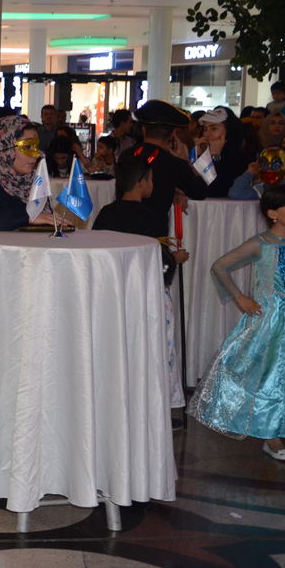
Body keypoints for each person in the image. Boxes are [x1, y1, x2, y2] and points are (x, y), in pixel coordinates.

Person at [189, 183, 285, 461]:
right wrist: (240, 298)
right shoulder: (261, 244)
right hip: (273, 321)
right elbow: (220, 266)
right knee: (270, 377)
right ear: (273, 214)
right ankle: (271, 436)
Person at [93, 152, 189, 408]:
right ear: (141, 183)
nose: (153, 185)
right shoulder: (151, 217)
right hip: (145, 294)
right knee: (151, 347)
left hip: (112, 292)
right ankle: (155, 401)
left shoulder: (106, 213)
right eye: (151, 180)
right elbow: (157, 260)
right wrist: (175, 259)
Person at [127, 100, 208, 239]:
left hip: (124, 228)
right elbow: (200, 191)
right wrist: (185, 160)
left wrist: (174, 190)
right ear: (172, 134)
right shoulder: (173, 162)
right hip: (155, 234)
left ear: (143, 129)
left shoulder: (126, 155)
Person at [196, 106, 252, 198]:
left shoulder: (241, 160)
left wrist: (215, 157)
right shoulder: (202, 152)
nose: (207, 134)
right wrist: (196, 155)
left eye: (213, 128)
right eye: (205, 129)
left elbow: (215, 191)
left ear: (229, 131)